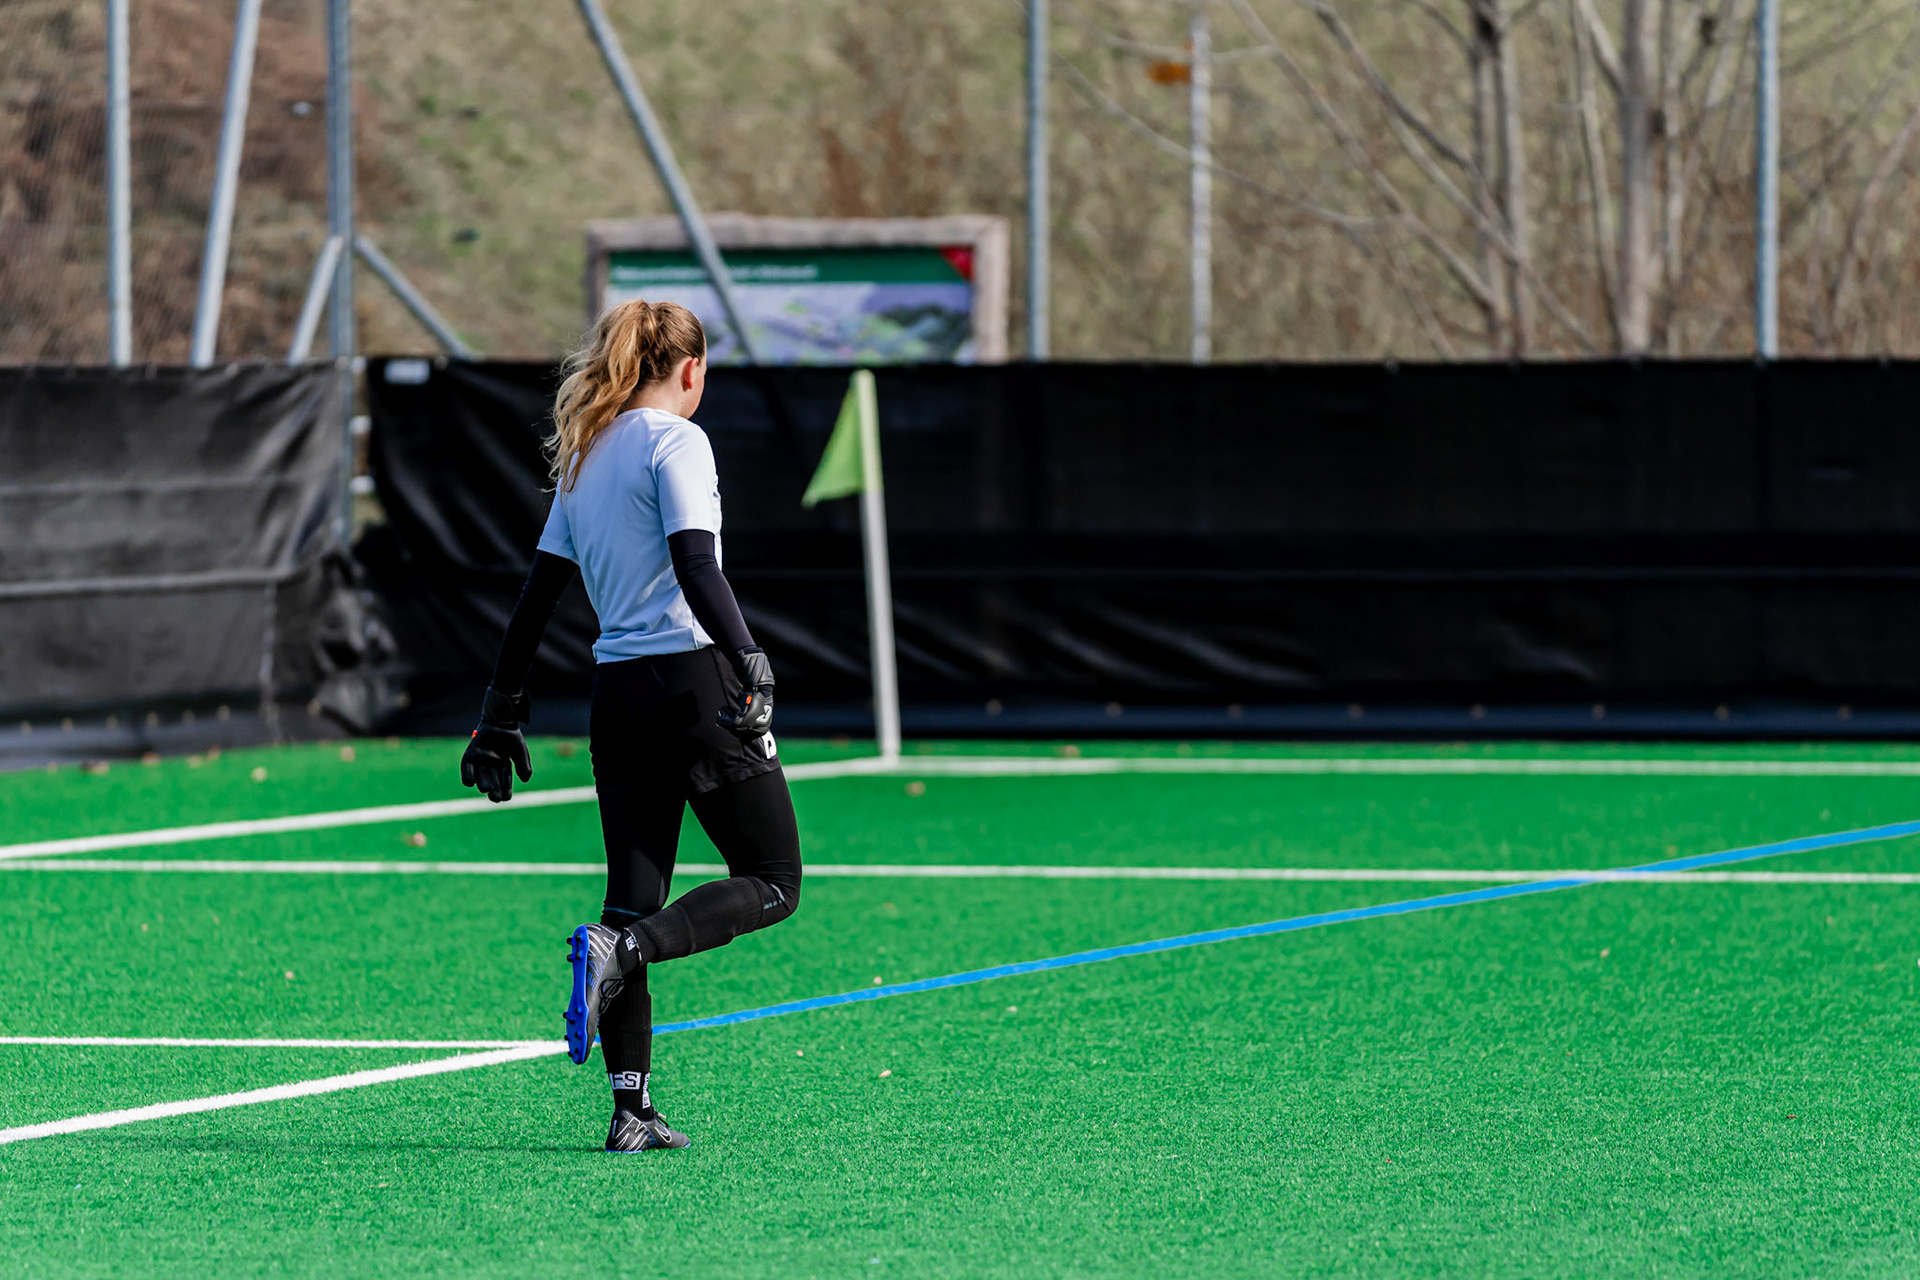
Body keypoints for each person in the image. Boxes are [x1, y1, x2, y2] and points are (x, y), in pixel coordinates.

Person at [457, 299, 802, 1153]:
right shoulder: (675, 441)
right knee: (772, 879)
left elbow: (537, 597)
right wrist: (749, 656)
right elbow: (695, 561)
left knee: (627, 893)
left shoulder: (588, 452)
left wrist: (499, 714)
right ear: (690, 370)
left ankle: (631, 1111)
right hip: (694, 682)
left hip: (619, 692)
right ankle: (628, 950)